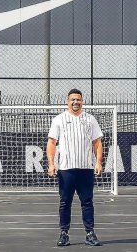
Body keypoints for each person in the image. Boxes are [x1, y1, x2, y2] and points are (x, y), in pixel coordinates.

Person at [46, 88, 103, 246]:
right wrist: (51, 164)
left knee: (87, 202)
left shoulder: (90, 119)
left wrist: (98, 162)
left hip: (86, 169)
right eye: (73, 100)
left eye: (78, 99)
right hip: (66, 170)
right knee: (65, 202)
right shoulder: (59, 119)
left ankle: (90, 234)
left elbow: (97, 143)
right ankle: (64, 234)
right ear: (67, 101)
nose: (75, 102)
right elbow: (51, 143)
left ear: (82, 101)